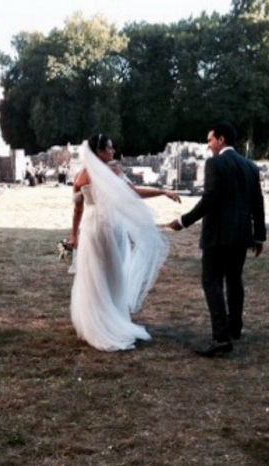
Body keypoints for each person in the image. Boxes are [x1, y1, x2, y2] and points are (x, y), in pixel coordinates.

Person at [70, 134, 181, 352]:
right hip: (110, 226)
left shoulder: (80, 177)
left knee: (94, 276)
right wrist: (162, 191)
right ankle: (113, 321)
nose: (113, 152)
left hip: (91, 228)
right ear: (100, 152)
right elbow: (135, 194)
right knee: (113, 275)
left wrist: (74, 235)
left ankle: (97, 323)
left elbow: (77, 209)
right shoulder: (113, 172)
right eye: (110, 148)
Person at [169, 123, 266, 358]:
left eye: (210, 140)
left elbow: (210, 199)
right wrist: (259, 235)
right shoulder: (250, 166)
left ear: (221, 140)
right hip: (242, 234)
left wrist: (183, 221)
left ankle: (221, 337)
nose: (208, 145)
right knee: (234, 280)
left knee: (211, 281)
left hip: (218, 235)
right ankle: (234, 327)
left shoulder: (215, 163)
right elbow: (258, 202)